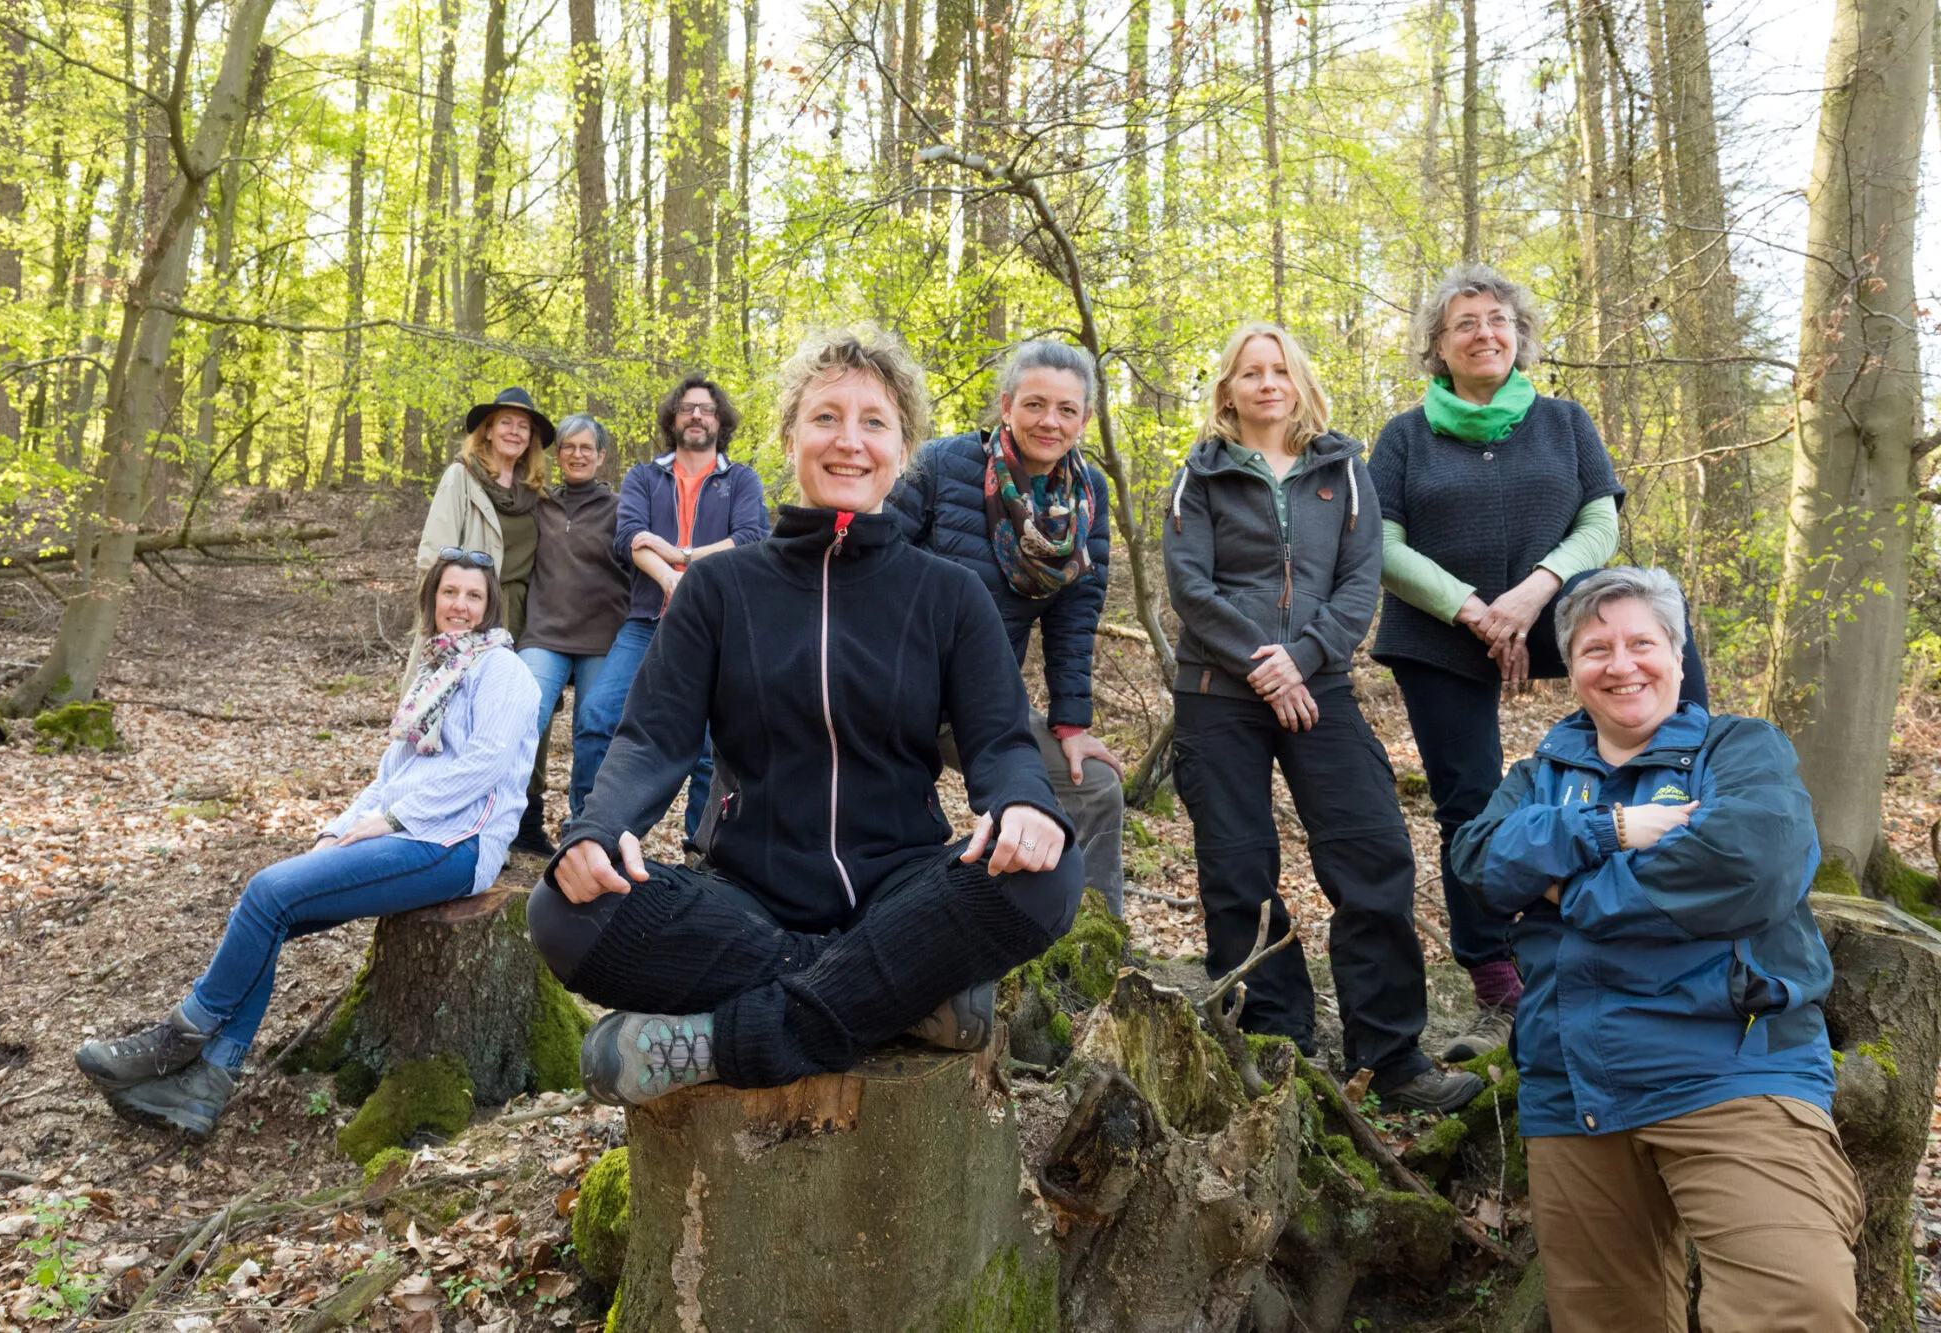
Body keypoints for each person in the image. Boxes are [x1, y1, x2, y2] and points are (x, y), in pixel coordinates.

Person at [528, 326, 1083, 1107]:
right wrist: (596, 828)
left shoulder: (949, 594)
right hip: (744, 895)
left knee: (1051, 872)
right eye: (826, 418)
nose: (849, 441)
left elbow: (999, 738)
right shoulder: (719, 589)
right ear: (790, 439)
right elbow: (652, 738)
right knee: (562, 910)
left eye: (874, 422)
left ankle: (734, 1040)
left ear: (903, 449)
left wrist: (1024, 802)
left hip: (903, 886)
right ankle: (895, 991)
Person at [1451, 567, 1858, 1331]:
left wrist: (1569, 891)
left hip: (1731, 1073)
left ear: (1677, 652)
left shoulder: (1738, 748)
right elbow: (1477, 862)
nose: (1621, 664)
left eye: (1642, 642)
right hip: (1572, 1092)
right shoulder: (1538, 777)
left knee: (1795, 1307)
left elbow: (1747, 865)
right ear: (1572, 667)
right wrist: (1611, 829)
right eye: (1595, 648)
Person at [1368, 263, 1709, 1064]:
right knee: (1468, 801)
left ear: (1518, 336)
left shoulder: (1564, 420)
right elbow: (1379, 543)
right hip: (1440, 630)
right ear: (1437, 346)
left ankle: (1684, 834)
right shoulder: (1404, 437)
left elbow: (1600, 522)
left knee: (1654, 616)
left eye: (1498, 319)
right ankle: (1495, 973)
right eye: (1465, 323)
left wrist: (1531, 595)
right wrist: (1472, 608)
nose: (1485, 333)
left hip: (1558, 610)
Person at [76, 552, 541, 1135]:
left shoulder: (503, 670)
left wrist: (394, 819)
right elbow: (386, 778)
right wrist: (335, 831)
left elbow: (484, 766)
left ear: (489, 605)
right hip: (408, 829)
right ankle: (204, 1088)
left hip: (457, 843)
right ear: (433, 598)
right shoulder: (436, 671)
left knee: (268, 892)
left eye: (474, 596)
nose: (461, 606)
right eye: (450, 592)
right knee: (271, 913)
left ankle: (177, 1038)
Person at [1163, 322, 1481, 1113]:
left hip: (1320, 685)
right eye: (1250, 372)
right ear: (1228, 389)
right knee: (1238, 869)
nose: (1267, 383)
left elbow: (1359, 582)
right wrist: (1263, 665)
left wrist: (1299, 660)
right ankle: (1276, 1043)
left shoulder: (1344, 470)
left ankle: (1391, 1057)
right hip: (1217, 690)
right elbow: (1191, 587)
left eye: (1280, 370)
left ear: (1300, 382)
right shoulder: (1199, 474)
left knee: (1374, 851)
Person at [888, 340, 1125, 913]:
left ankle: (1086, 946)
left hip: (980, 702)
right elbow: (873, 562)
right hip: (889, 689)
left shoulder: (1088, 497)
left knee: (1095, 787)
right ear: (1006, 405)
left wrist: (1072, 723)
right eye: (1035, 404)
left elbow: (1074, 617)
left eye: (1066, 410)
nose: (1050, 421)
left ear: (1084, 419)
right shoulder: (939, 465)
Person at [567, 377, 769, 839]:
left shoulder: (740, 479)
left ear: (720, 421)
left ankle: (703, 852)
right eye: (686, 408)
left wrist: (683, 558)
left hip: (717, 628)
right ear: (672, 418)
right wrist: (670, 578)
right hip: (646, 623)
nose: (696, 416)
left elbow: (750, 539)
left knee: (709, 748)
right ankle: (584, 833)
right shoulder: (644, 476)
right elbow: (630, 538)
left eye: (706, 409)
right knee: (597, 718)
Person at [415, 386, 556, 855]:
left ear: (531, 438)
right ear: (489, 431)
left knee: (527, 708)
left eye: (524, 426)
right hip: (473, 609)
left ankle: (524, 819)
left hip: (527, 614)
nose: (514, 431)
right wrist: (446, 613)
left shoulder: (535, 493)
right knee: (463, 709)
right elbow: (434, 554)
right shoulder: (463, 478)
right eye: (505, 422)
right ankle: (448, 811)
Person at [515, 415, 632, 841]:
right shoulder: (539, 503)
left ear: (600, 456)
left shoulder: (621, 508)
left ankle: (583, 829)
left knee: (594, 732)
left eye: (586, 448)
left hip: (602, 638)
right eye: (569, 447)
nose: (577, 455)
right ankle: (506, 819)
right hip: (544, 635)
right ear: (558, 454)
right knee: (520, 717)